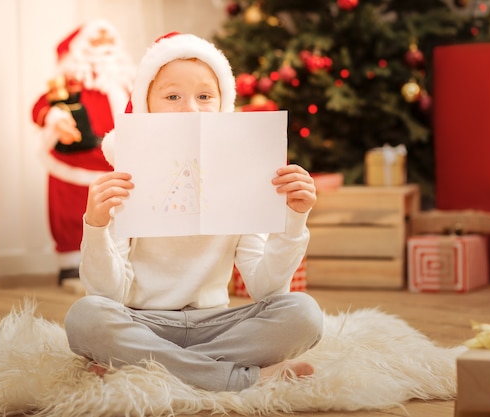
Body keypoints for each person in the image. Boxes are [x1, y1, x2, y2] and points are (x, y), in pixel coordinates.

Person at [64, 32, 323, 392]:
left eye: (205, 96)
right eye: (172, 96)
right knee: (86, 317)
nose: (191, 108)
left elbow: (266, 287)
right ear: (146, 107)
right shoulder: (124, 180)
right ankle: (236, 378)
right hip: (143, 322)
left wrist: (295, 219)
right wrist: (96, 226)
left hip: (218, 324)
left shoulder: (243, 176)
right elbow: (108, 294)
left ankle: (145, 366)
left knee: (303, 313)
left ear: (222, 106)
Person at [31, 19, 135, 286]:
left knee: (120, 210)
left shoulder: (128, 84)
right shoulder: (68, 85)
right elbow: (41, 107)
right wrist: (54, 116)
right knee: (71, 209)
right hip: (75, 162)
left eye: (108, 43)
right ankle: (71, 264)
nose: (103, 49)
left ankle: (119, 262)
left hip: (116, 163)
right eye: (95, 43)